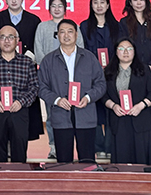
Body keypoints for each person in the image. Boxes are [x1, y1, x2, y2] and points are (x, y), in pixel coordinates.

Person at [38, 20, 106, 163]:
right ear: (57, 35)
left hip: (86, 115)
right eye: (62, 32)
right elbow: (41, 87)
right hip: (61, 116)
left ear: (76, 34)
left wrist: (88, 97)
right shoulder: (48, 60)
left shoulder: (89, 57)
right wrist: (57, 100)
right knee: (63, 162)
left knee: (87, 162)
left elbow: (101, 84)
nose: (66, 35)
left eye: (70, 31)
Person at [0, 0, 44, 144]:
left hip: (25, 68)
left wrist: (29, 56)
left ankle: (20, 143)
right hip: (2, 68)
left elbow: (38, 42)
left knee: (24, 111)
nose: (14, 1)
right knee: (1, 112)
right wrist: (5, 55)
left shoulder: (34, 20)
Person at [0, 25, 39, 163]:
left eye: (11, 37)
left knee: (19, 151)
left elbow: (34, 87)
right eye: (3, 37)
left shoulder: (27, 62)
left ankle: (18, 176)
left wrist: (21, 102)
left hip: (19, 112)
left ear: (17, 40)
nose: (6, 41)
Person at [35, 0, 85, 159]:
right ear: (49, 9)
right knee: (52, 113)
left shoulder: (74, 26)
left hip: (72, 77)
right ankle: (53, 146)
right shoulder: (42, 27)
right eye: (53, 6)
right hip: (50, 76)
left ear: (65, 9)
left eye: (60, 6)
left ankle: (75, 146)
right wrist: (49, 67)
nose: (56, 9)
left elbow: (81, 48)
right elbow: (38, 50)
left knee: (75, 112)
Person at [101, 38, 151, 165]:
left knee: (142, 160)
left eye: (129, 49)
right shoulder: (108, 72)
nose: (125, 52)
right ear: (116, 51)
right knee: (121, 160)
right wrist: (113, 106)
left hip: (140, 120)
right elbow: (103, 96)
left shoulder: (144, 70)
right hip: (119, 120)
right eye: (121, 49)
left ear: (134, 51)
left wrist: (141, 106)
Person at [80, 0, 120, 160]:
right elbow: (82, 50)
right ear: (91, 6)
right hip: (91, 75)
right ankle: (98, 147)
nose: (99, 5)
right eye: (95, 2)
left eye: (102, 2)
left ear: (108, 5)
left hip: (113, 73)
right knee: (94, 110)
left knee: (111, 108)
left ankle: (110, 147)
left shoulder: (116, 26)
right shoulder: (84, 26)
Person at [118, 0, 151, 76]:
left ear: (146, 2)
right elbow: (123, 45)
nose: (138, 3)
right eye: (135, 0)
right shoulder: (124, 22)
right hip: (131, 68)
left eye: (141, 0)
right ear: (130, 2)